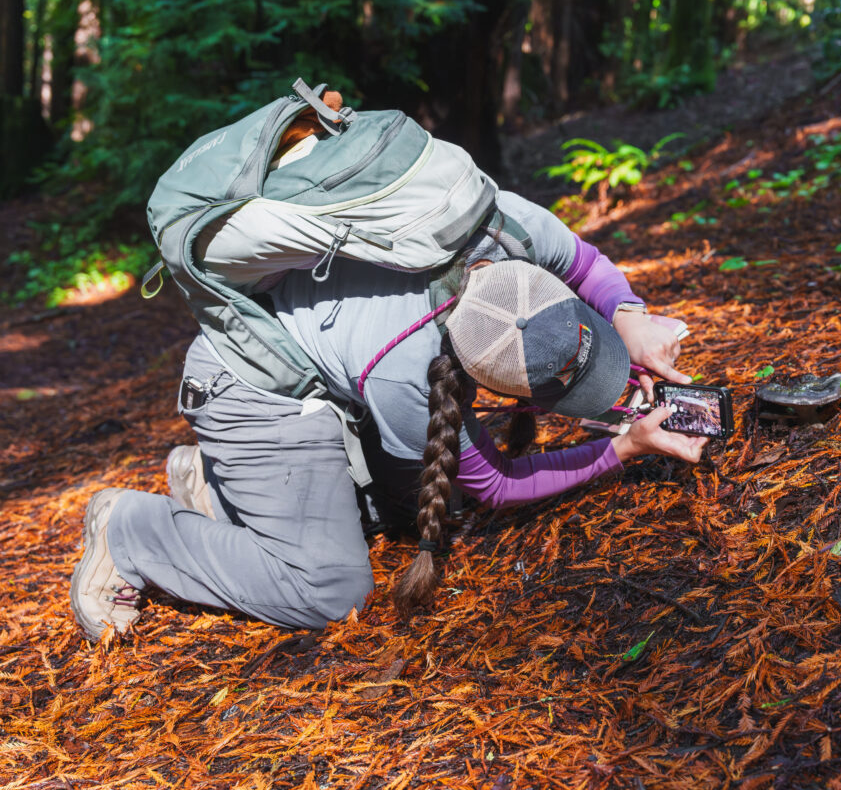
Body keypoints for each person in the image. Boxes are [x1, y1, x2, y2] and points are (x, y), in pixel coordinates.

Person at [70, 190, 707, 641]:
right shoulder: (407, 372)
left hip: (308, 364)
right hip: (249, 388)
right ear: (479, 375)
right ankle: (134, 532)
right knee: (330, 591)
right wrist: (626, 449)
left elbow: (586, 263)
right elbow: (500, 485)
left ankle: (222, 488)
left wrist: (631, 318)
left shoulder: (496, 224)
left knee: (417, 500)